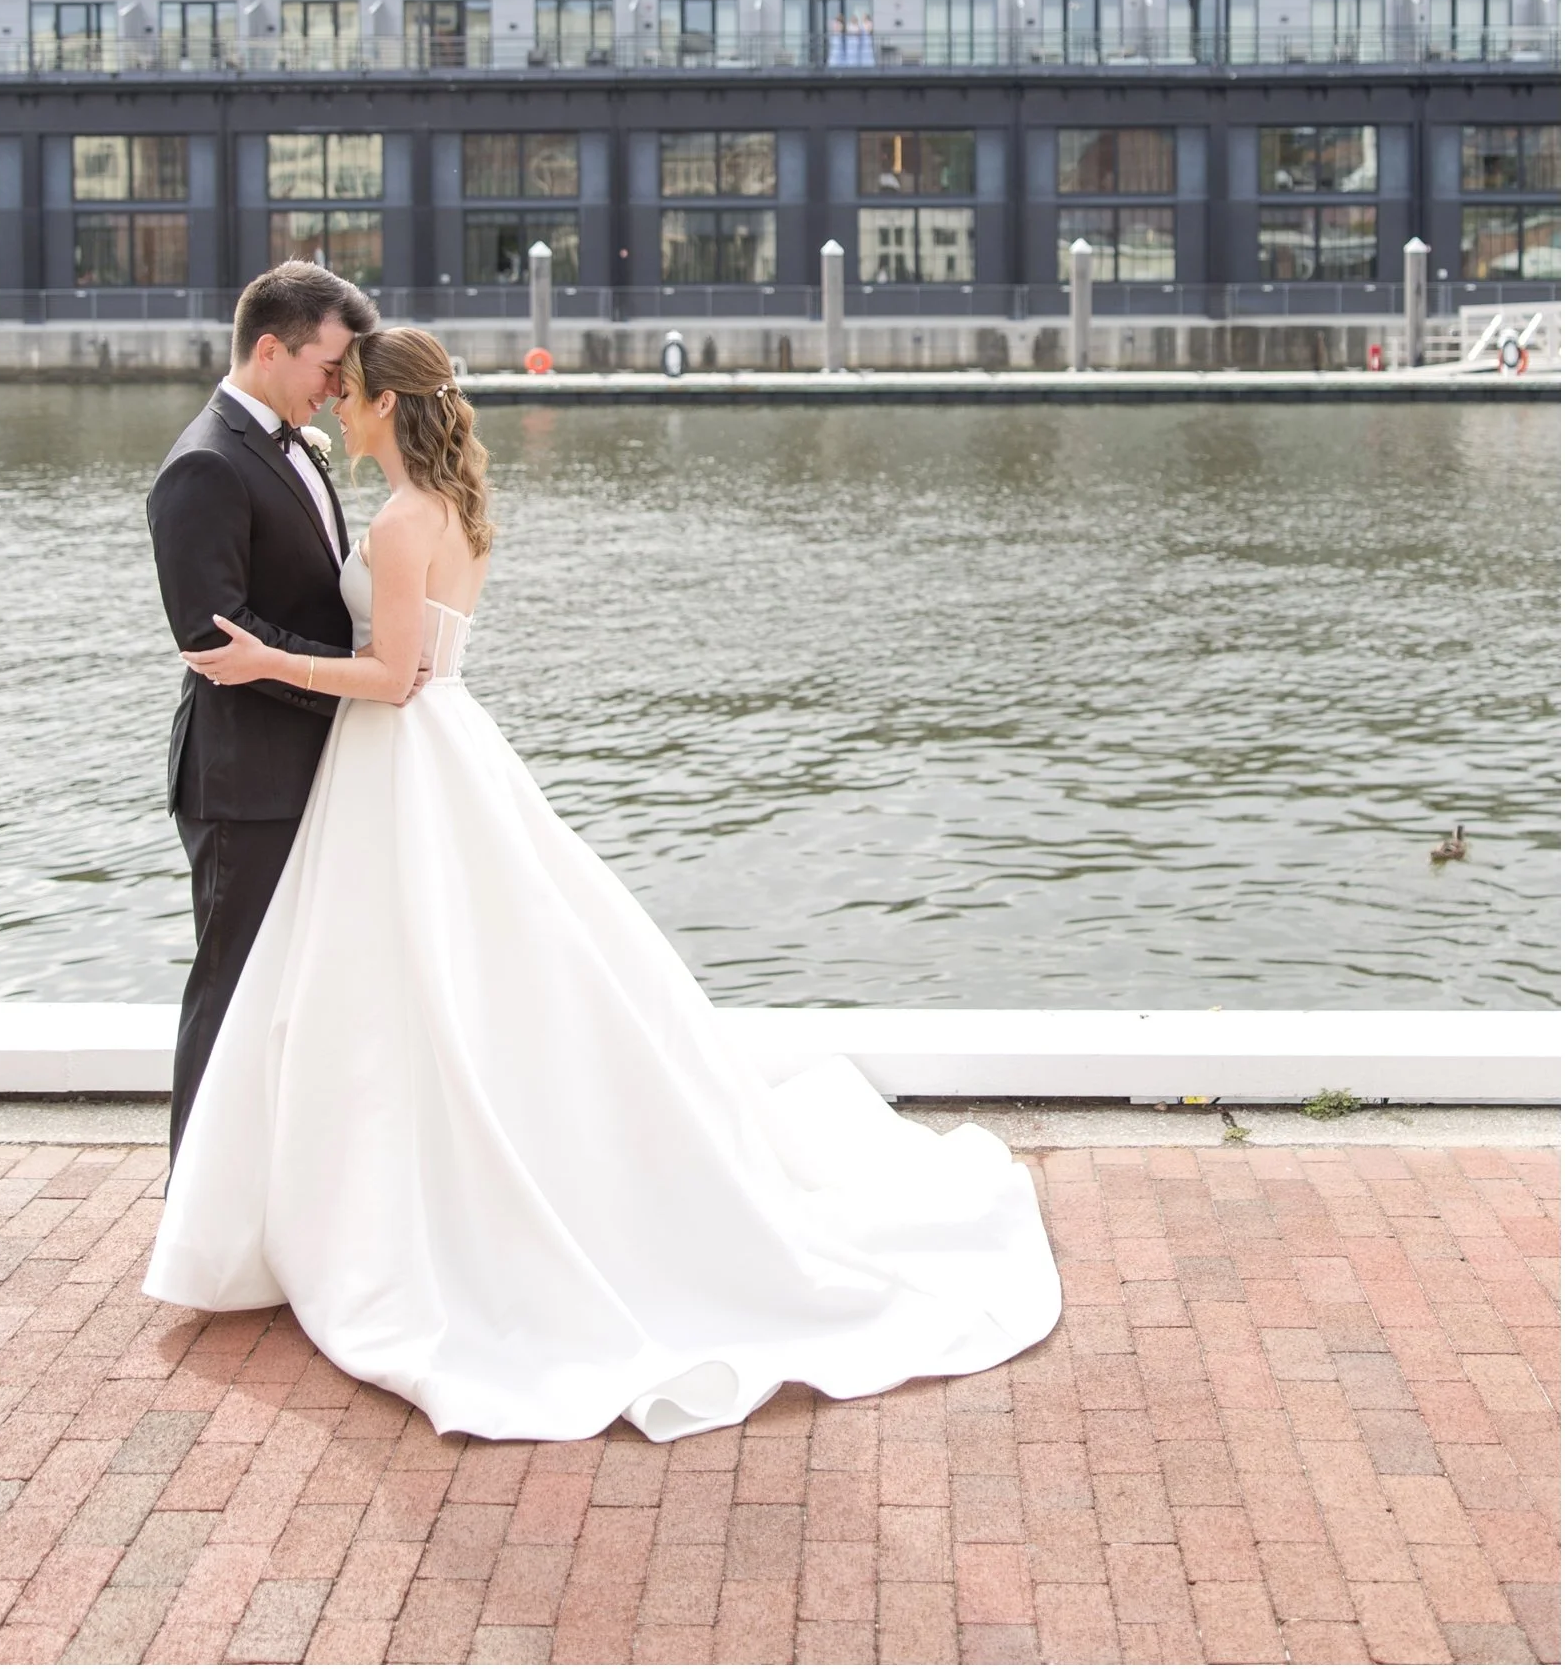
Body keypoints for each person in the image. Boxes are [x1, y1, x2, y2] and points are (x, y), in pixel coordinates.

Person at [144, 323, 1061, 1444]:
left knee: (402, 981)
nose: (336, 402)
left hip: (400, 752)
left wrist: (265, 660)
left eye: (351, 391)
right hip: (450, 748)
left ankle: (384, 1201)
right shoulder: (455, 509)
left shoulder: (395, 520)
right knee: (459, 974)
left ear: (386, 407)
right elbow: (428, 664)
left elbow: (390, 678)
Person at [147, 260, 378, 1163]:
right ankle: (194, 1202)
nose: (341, 387)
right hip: (243, 777)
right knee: (231, 990)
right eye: (329, 368)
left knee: (292, 991)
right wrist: (358, 674)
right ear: (271, 348)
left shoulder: (295, 445)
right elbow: (214, 639)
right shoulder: (205, 464)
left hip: (308, 760)